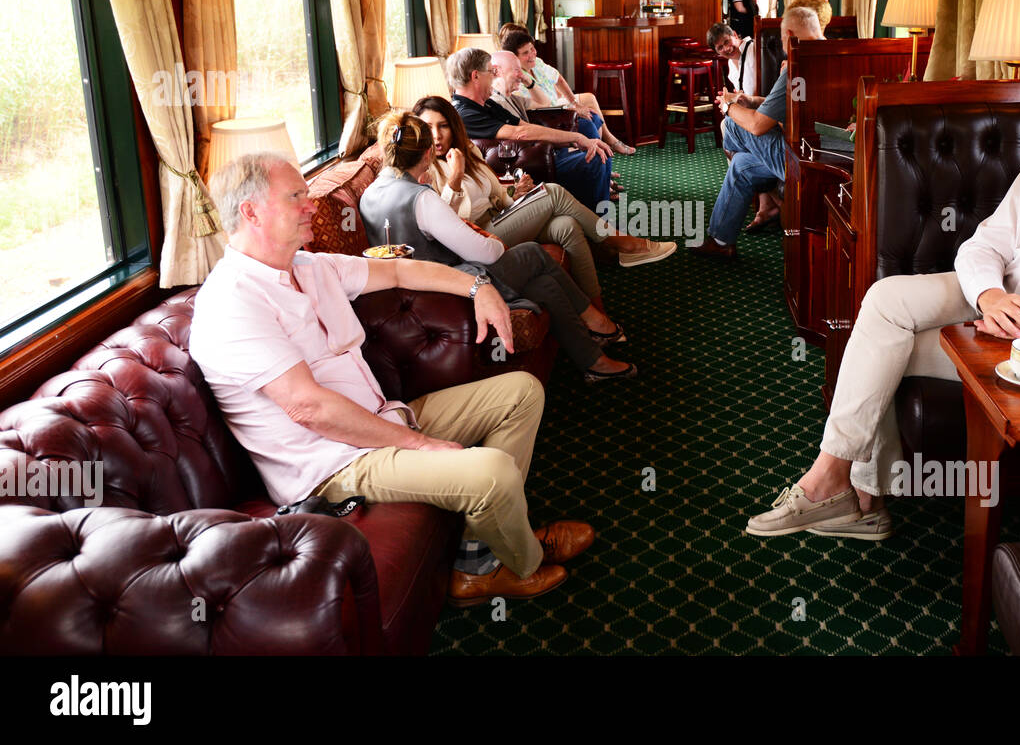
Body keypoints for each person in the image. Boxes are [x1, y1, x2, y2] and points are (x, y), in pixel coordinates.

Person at [744, 54, 1020, 540]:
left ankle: (851, 492)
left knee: (880, 354)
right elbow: (985, 244)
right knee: (886, 300)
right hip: (1004, 300)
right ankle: (842, 483)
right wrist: (988, 297)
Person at [189, 152, 596, 607]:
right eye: (297, 196)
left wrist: (481, 289)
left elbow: (402, 268)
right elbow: (309, 408)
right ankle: (518, 561)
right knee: (493, 471)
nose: (310, 205)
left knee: (520, 392)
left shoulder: (309, 267)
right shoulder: (231, 302)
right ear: (251, 211)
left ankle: (477, 555)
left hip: (381, 419)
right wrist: (419, 444)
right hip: (334, 464)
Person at [360, 109, 637, 383]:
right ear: (427, 154)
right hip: (446, 290)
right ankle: (595, 322)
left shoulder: (369, 193)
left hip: (408, 293)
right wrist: (492, 239)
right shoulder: (421, 199)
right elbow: (486, 252)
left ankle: (593, 361)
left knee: (543, 285)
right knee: (532, 252)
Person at [414, 95, 675, 305]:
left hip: (498, 219)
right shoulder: (423, 169)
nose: (436, 135)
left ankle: (596, 311)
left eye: (443, 126)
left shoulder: (467, 150)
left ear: (453, 127)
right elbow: (444, 224)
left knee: (566, 226)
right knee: (554, 192)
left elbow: (494, 193)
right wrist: (455, 179)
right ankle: (625, 244)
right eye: (428, 127)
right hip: (477, 238)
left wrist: (516, 195)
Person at [692, 6, 825, 258]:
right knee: (741, 166)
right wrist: (751, 101)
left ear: (786, 33)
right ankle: (722, 242)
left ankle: (764, 202)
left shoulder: (796, 68)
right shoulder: (832, 55)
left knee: (732, 124)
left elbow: (756, 126)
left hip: (799, 160)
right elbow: (792, 104)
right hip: (820, 151)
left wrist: (728, 106)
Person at [447, 47, 615, 213]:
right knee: (595, 159)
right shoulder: (465, 113)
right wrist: (577, 138)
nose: (494, 77)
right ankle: (600, 229)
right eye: (491, 72)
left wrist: (575, 139)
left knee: (598, 150)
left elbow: (524, 126)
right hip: (524, 166)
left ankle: (598, 222)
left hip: (537, 155)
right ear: (476, 76)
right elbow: (519, 133)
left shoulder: (486, 104)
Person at [498, 27, 636, 157]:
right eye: (525, 53)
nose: (532, 54)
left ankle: (603, 153)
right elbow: (537, 109)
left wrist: (574, 104)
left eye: (532, 49)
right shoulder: (516, 79)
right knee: (590, 118)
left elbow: (558, 79)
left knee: (590, 103)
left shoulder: (537, 63)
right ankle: (601, 154)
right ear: (515, 58)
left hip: (555, 103)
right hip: (549, 113)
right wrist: (572, 109)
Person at [706, 20, 777, 232]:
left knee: (728, 127)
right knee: (727, 125)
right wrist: (731, 99)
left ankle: (756, 198)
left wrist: (734, 102)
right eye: (720, 48)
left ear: (735, 35)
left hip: (766, 111)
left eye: (727, 42)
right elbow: (743, 94)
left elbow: (756, 90)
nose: (727, 49)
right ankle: (764, 203)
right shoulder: (731, 64)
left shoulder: (754, 49)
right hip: (754, 109)